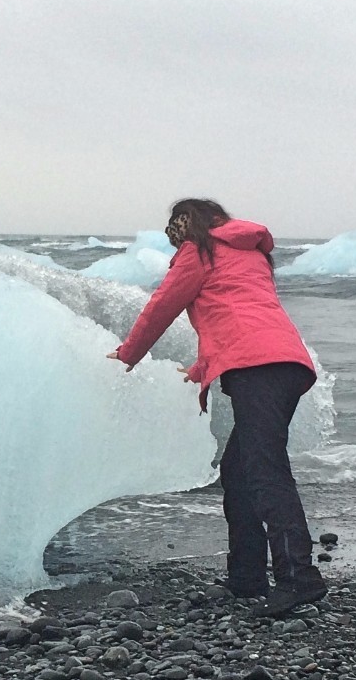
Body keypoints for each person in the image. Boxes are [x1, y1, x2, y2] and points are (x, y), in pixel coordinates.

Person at [108, 198, 327, 616]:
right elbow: (234, 315)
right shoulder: (250, 253)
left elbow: (163, 306)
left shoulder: (198, 251)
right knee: (240, 471)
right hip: (287, 363)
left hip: (258, 368)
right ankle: (247, 578)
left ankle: (299, 578)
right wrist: (204, 366)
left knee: (266, 473)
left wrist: (128, 353)